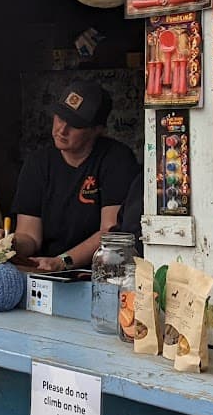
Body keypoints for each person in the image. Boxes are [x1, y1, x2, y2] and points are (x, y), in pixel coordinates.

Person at [11, 79, 140, 272]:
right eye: (60, 117)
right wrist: (12, 244)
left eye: (75, 124)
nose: (62, 130)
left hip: (97, 273)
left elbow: (111, 231)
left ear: (98, 130)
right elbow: (30, 236)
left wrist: (63, 262)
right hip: (44, 269)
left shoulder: (117, 160)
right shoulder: (37, 163)